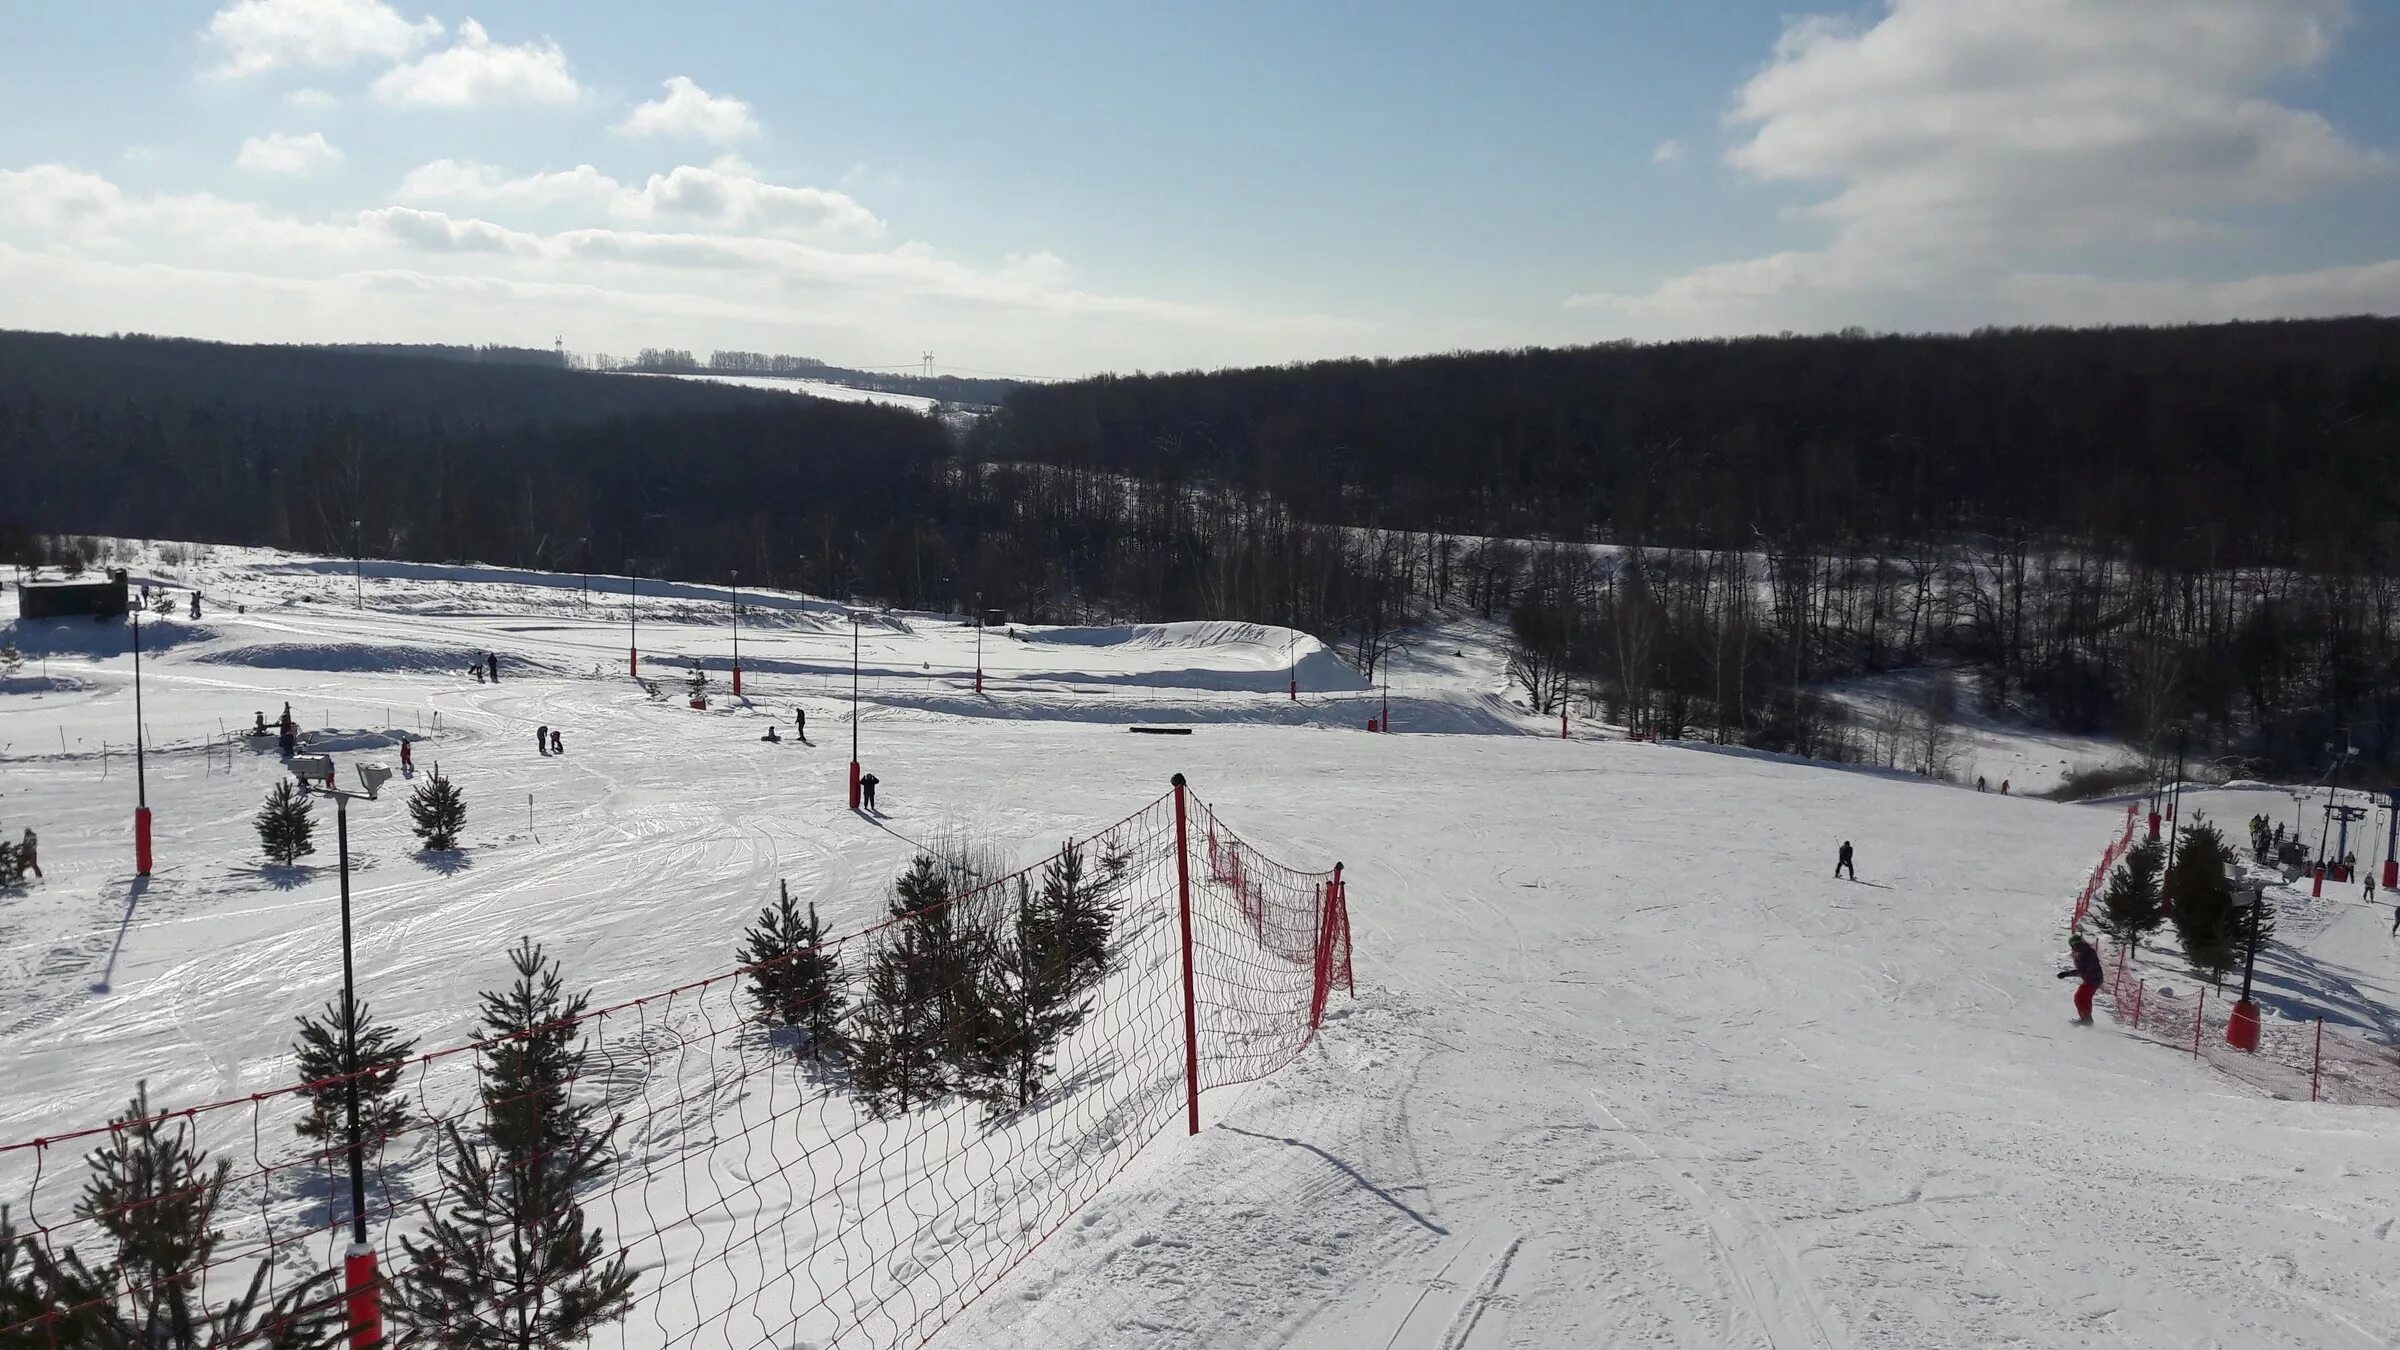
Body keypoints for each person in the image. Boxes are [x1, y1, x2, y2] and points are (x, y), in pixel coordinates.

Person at [2057, 935, 2104, 1024]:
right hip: (2093, 979)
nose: (2077, 947)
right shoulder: (2083, 952)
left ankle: (2086, 1019)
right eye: (2074, 945)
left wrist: (2067, 974)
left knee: (2080, 997)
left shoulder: (2085, 953)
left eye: (2078, 944)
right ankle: (2086, 1018)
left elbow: (2083, 970)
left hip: (2093, 979)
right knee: (2083, 996)